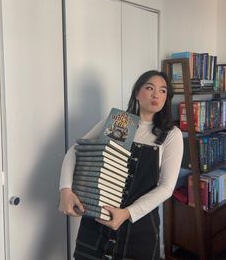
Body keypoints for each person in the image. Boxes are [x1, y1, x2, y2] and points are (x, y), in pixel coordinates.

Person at [59, 70, 183, 260]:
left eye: (163, 91)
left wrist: (127, 213)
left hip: (138, 228)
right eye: (150, 88)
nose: (156, 95)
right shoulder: (121, 123)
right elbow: (74, 151)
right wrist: (65, 190)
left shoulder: (170, 134)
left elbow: (166, 187)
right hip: (97, 223)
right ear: (137, 93)